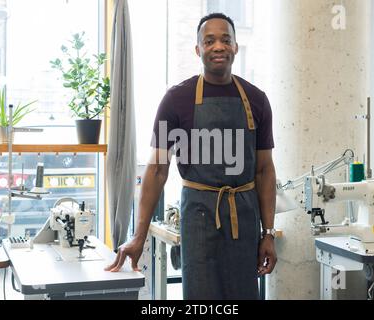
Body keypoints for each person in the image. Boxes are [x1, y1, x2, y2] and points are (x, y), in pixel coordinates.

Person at [106, 12, 277, 300]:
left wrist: (268, 232)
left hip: (244, 218)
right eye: (209, 41)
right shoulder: (176, 99)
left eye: (226, 40)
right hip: (198, 216)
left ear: (236, 46)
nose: (218, 47)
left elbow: (264, 171)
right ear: (198, 49)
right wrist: (139, 235)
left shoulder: (257, 99)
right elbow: (157, 170)